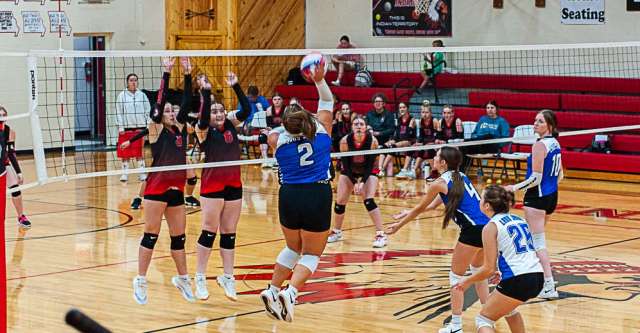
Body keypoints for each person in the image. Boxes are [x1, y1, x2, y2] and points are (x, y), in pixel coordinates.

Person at [259, 59, 334, 322]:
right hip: (316, 194)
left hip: (289, 196)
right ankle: (291, 292)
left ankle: (271, 289)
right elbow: (327, 102)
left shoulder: (276, 140)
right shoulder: (322, 130)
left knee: (292, 248)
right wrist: (318, 79)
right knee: (312, 253)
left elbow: (281, 129)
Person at [387, 146, 490, 333]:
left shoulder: (440, 182)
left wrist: (399, 225)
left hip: (472, 231)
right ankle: (488, 316)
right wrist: (408, 212)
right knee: (478, 273)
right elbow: (433, 206)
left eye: (436, 156)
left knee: (456, 278)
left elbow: (420, 208)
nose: (433, 158)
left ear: (443, 162)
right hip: (487, 229)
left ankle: (456, 326)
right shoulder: (460, 176)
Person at [132, 57, 195, 305]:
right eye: (167, 111)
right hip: (155, 190)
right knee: (151, 234)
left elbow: (187, 102)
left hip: (175, 191)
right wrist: (167, 73)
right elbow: (157, 106)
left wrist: (188, 74)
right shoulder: (156, 129)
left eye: (173, 111)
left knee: (179, 237)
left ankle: (182, 278)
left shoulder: (180, 129)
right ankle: (140, 279)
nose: (170, 113)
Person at [192, 71, 252, 302]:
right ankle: (199, 276)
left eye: (220, 111)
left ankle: (228, 277)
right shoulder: (203, 129)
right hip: (212, 186)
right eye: (214, 111)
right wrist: (205, 93)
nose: (218, 114)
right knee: (209, 230)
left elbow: (247, 111)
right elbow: (204, 115)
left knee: (229, 233)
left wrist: (236, 85)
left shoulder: (230, 123)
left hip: (234, 185)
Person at [454, 185, 544, 333]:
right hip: (537, 276)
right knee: (509, 310)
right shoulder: (519, 220)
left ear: (487, 205)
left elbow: (487, 268)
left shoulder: (490, 227)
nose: (479, 201)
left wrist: (466, 281)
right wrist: (500, 271)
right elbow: (517, 254)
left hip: (517, 279)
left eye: (481, 198)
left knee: (483, 320)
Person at [505, 109, 562, 299]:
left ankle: (549, 286)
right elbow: (560, 175)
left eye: (540, 121)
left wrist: (515, 187)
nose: (535, 124)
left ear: (549, 126)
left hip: (536, 198)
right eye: (535, 120)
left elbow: (535, 178)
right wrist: (549, 189)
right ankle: (540, 279)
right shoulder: (555, 143)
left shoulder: (539, 145)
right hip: (551, 196)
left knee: (538, 244)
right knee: (535, 241)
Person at [327, 115, 386, 247]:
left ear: (366, 127)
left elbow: (370, 165)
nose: (359, 126)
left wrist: (362, 182)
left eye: (361, 124)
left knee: (369, 200)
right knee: (340, 201)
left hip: (369, 171)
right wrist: (354, 181)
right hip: (350, 171)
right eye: (356, 124)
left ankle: (381, 234)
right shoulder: (344, 141)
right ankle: (337, 231)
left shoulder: (372, 141)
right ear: (352, 127)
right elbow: (346, 166)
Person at [115, 72, 150, 183]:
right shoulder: (122, 95)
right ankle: (125, 174)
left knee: (139, 152)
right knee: (125, 152)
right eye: (131, 80)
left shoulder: (142, 95)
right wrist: (120, 126)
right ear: (127, 82)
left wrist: (148, 126)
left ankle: (142, 173)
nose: (133, 82)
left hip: (140, 128)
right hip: (126, 128)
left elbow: (148, 111)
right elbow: (118, 112)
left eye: (135, 80)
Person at [0, 106, 30, 228]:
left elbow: (11, 153)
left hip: (3, 164)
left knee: (15, 188)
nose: (1, 118)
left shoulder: (9, 131)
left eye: (3, 115)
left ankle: (21, 216)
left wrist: (19, 172)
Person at [462, 101, 510, 172]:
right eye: (488, 108)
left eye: (492, 108)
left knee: (488, 136)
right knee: (464, 143)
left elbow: (506, 139)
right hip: (479, 143)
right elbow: (474, 133)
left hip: (492, 146)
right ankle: (461, 171)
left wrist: (497, 144)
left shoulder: (502, 121)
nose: (489, 109)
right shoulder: (482, 119)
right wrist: (476, 137)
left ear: (496, 109)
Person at [365, 93, 395, 176]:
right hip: (372, 140)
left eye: (379, 101)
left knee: (387, 146)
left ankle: (380, 169)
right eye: (375, 101)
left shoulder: (389, 115)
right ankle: (367, 169)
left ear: (384, 103)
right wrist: (368, 128)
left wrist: (379, 133)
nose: (377, 103)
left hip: (384, 139)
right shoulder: (369, 114)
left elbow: (392, 130)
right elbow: (365, 125)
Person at [385, 102, 416, 179]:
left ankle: (404, 170)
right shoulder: (399, 120)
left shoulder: (412, 119)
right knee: (387, 145)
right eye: (400, 108)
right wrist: (392, 140)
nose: (402, 109)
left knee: (395, 146)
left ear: (407, 108)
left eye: (403, 107)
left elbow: (408, 136)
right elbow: (397, 134)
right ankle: (381, 169)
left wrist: (410, 127)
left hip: (410, 141)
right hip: (400, 142)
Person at [259, 92, 286, 168]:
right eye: (275, 99)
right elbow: (268, 124)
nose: (277, 101)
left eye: (279, 99)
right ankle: (265, 160)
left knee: (275, 136)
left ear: (282, 100)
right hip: (272, 129)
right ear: (272, 101)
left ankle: (276, 159)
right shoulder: (269, 110)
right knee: (262, 136)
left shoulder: (286, 109)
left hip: (283, 130)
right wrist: (267, 128)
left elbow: (285, 124)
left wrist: (273, 128)